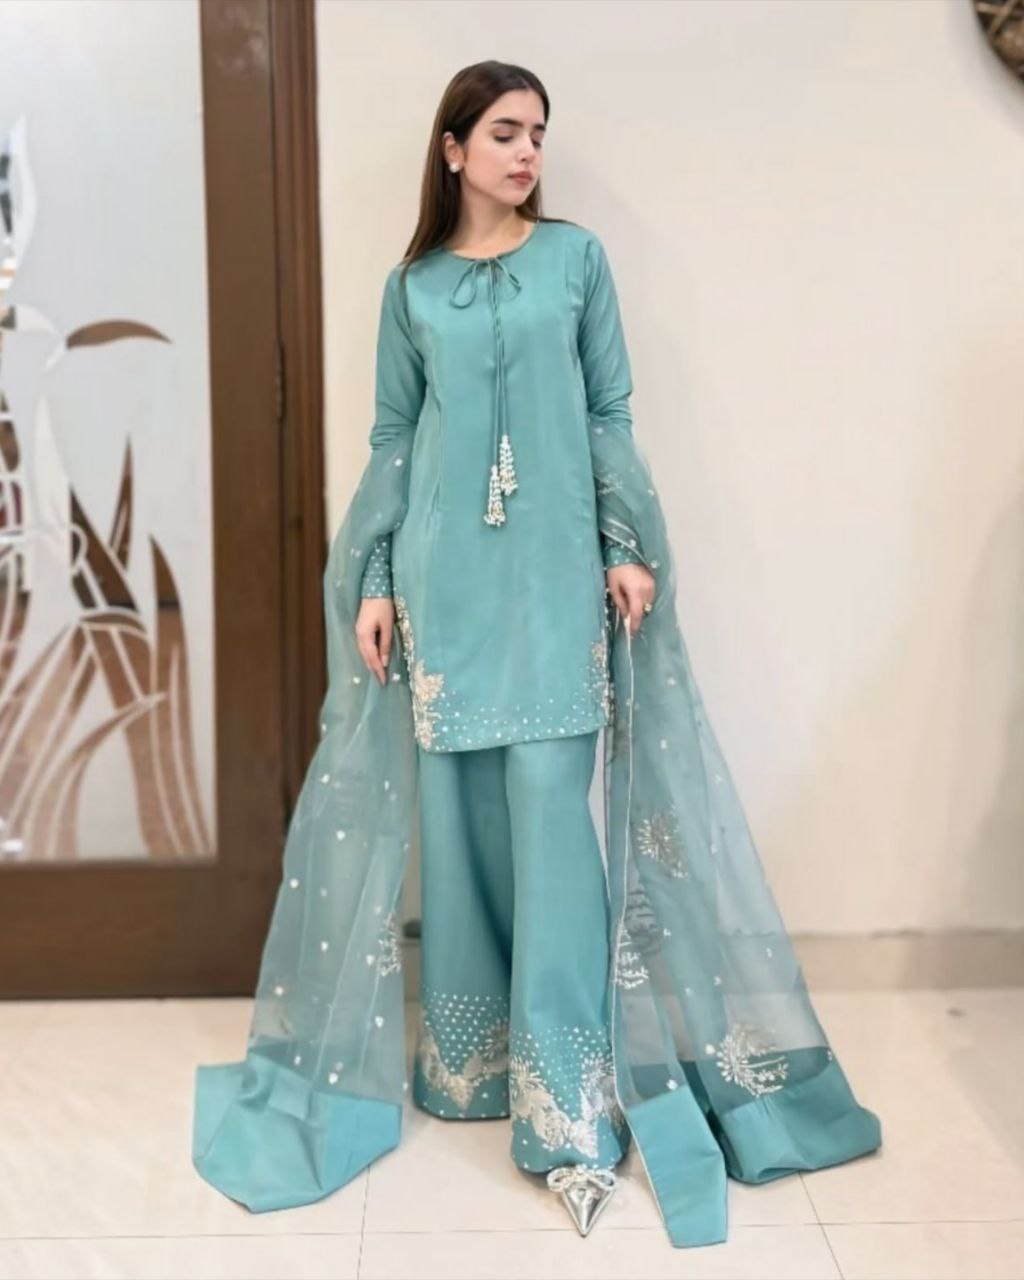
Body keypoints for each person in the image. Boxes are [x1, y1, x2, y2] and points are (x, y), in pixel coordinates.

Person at [192, 60, 882, 1247]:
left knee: (556, 836)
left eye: (538, 136)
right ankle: (471, 1068)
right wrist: (372, 579)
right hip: (445, 589)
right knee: (456, 835)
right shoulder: (409, 287)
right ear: (452, 148)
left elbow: (608, 409)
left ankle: (564, 1106)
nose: (527, 154)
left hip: (555, 585)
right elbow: (395, 436)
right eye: (505, 134)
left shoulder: (576, 264)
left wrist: (624, 543)